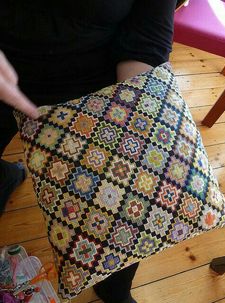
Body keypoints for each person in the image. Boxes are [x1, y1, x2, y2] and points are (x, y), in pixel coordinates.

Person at [0, 1, 178, 302]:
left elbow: (146, 42)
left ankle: (114, 286)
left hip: (94, 85)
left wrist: (132, 126)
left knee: (122, 201)